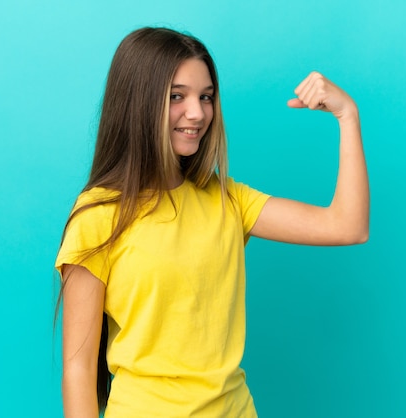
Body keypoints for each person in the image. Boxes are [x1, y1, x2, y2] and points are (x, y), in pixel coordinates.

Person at [55, 27, 369, 418]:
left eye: (206, 97)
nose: (198, 113)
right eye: (177, 96)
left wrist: (347, 115)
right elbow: (78, 369)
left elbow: (347, 226)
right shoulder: (98, 214)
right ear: (138, 102)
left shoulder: (227, 199)